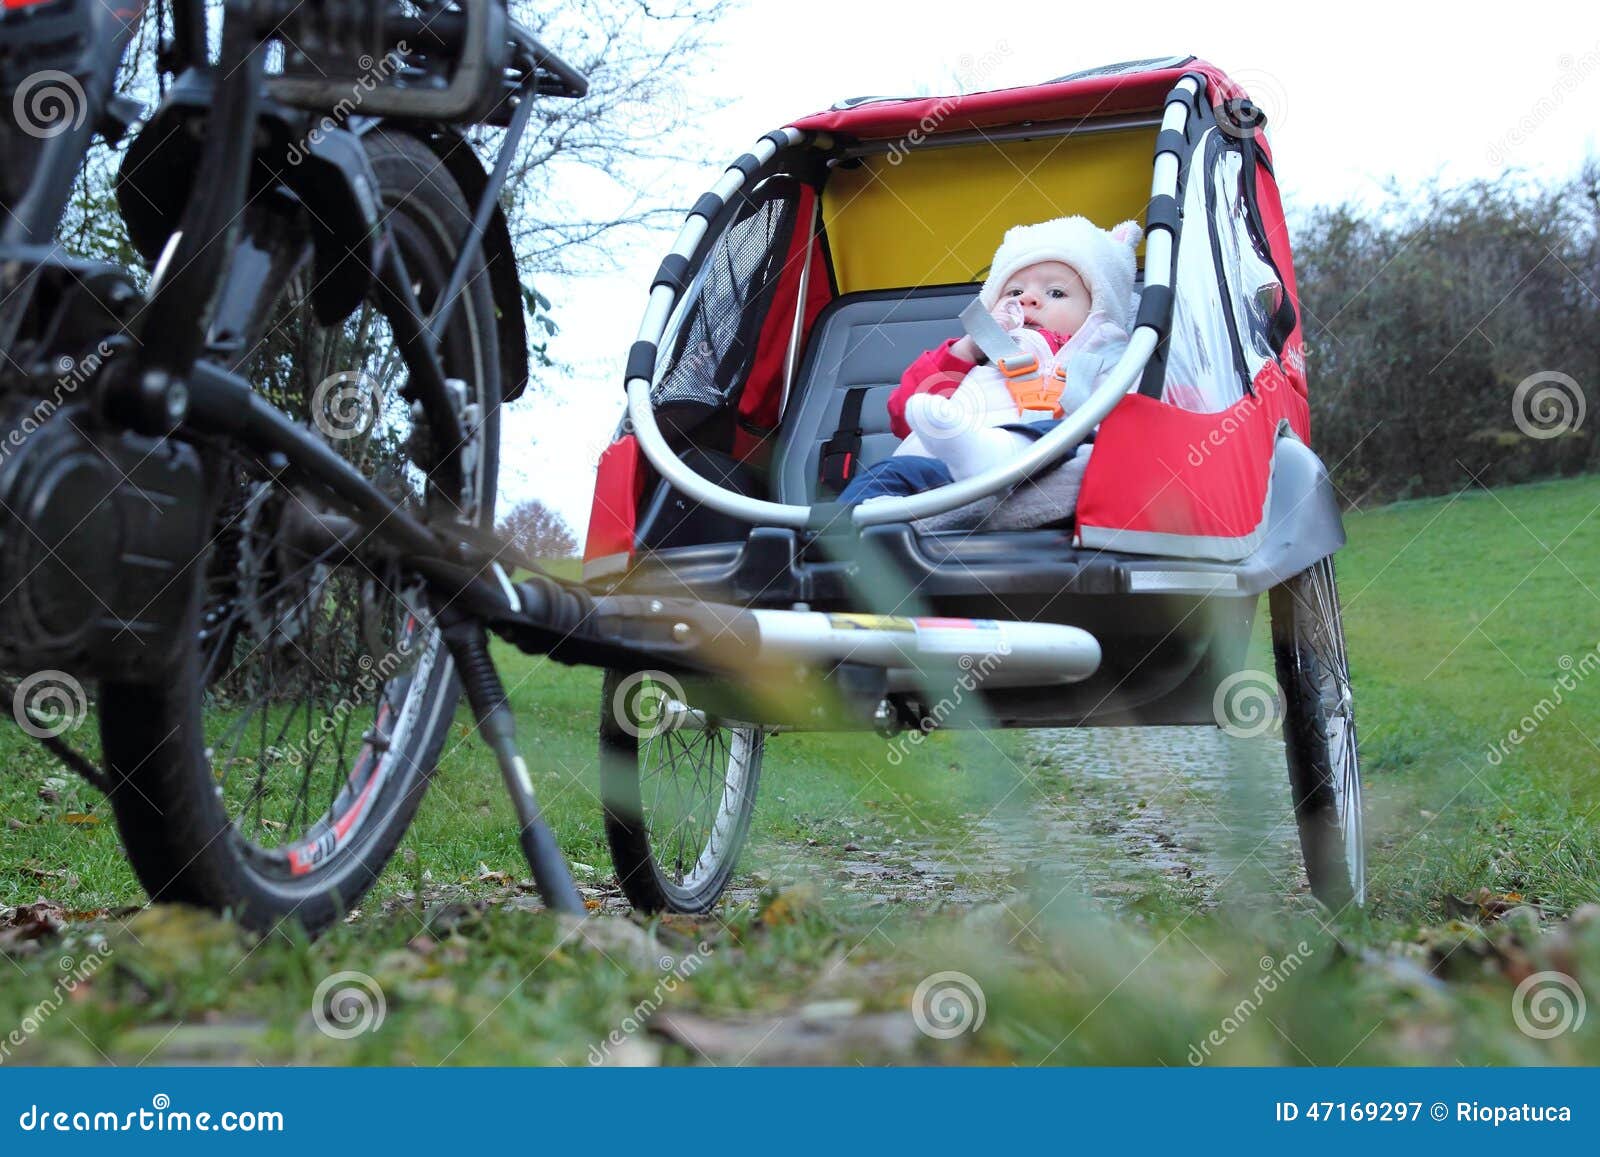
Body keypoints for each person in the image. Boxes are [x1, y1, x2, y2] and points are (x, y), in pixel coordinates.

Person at [837, 215, 1142, 506]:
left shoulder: (1116, 364)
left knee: (1086, 441)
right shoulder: (975, 360)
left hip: (1062, 466)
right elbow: (905, 415)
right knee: (885, 474)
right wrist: (969, 348)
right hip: (950, 475)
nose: (1028, 299)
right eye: (1015, 291)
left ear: (1098, 309)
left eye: (1056, 292)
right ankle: (837, 537)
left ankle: (997, 456)